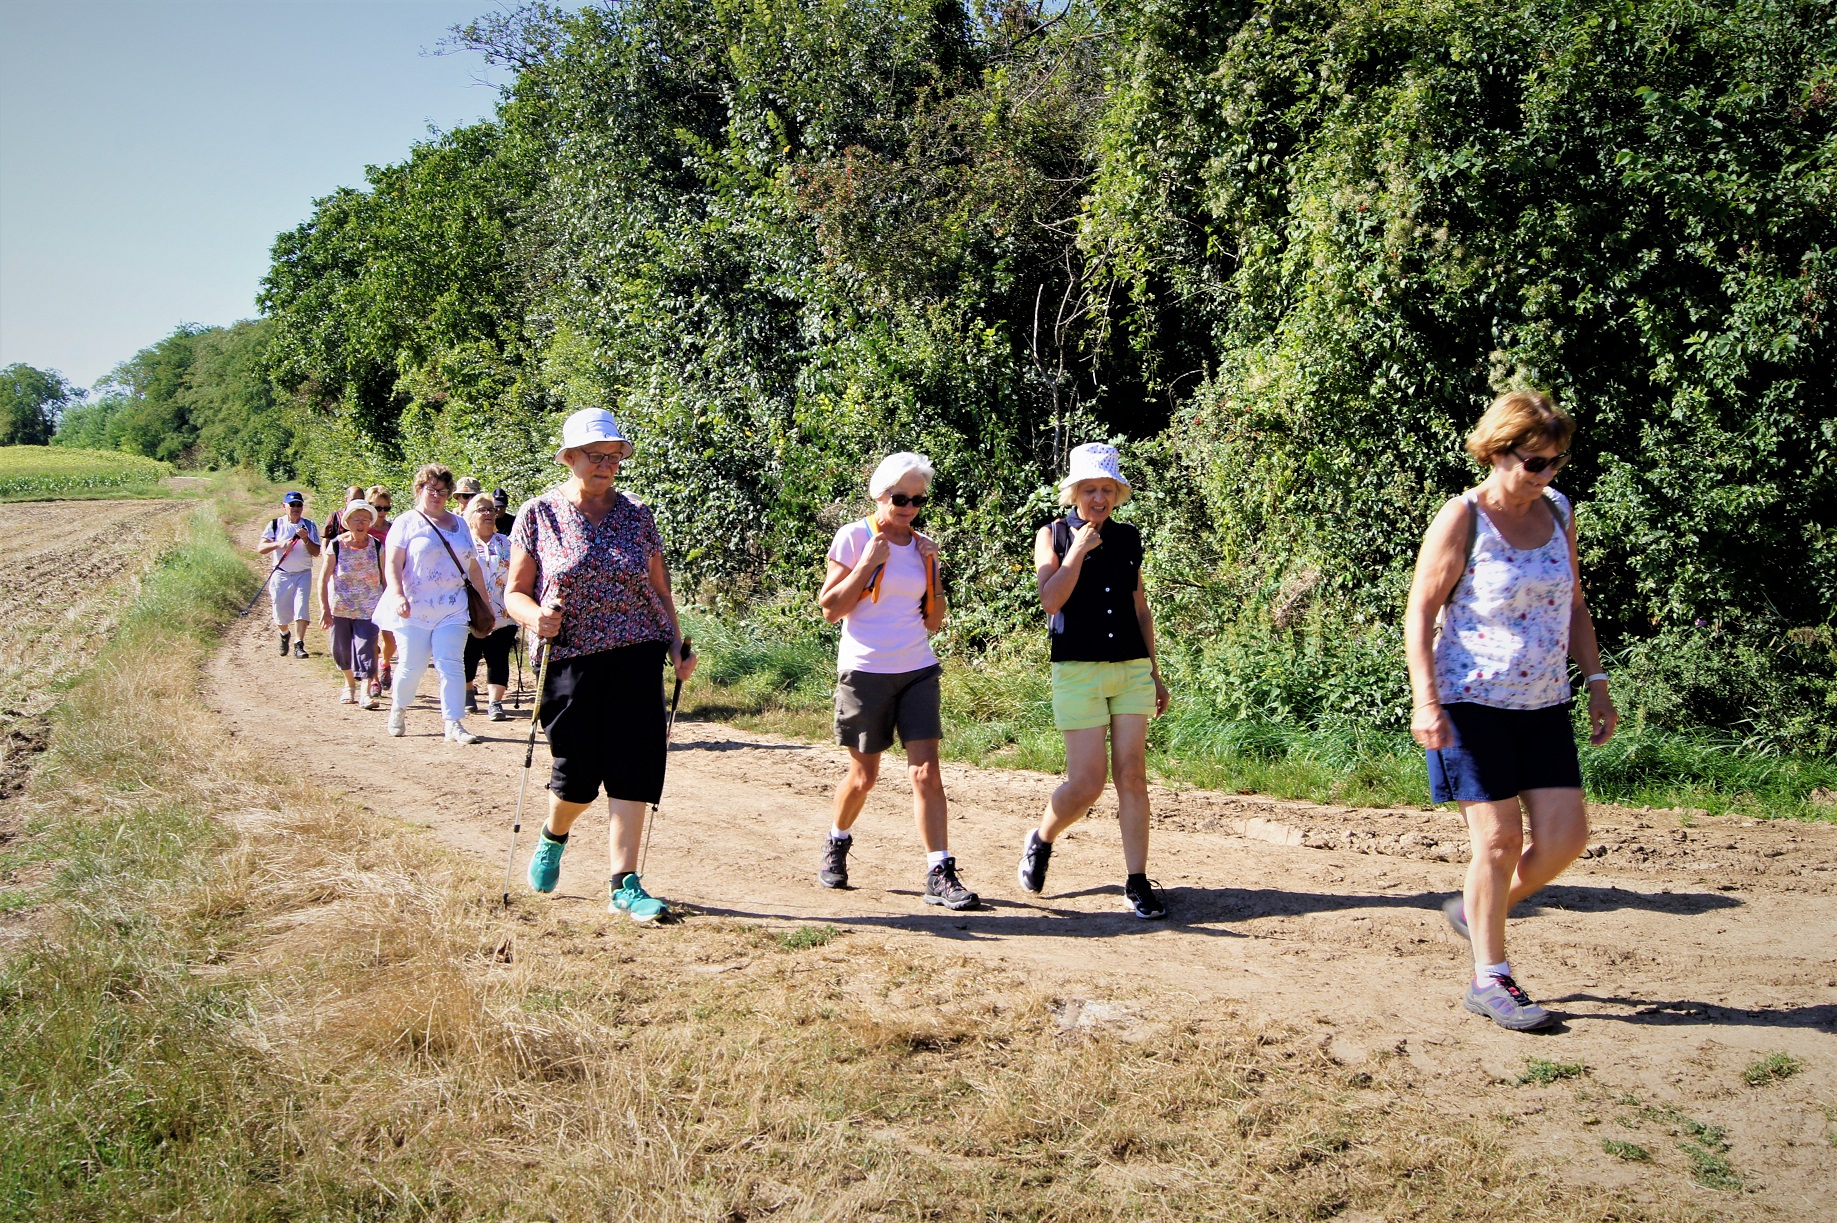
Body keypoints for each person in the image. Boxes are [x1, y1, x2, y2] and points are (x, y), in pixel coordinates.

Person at [1404, 389, 1618, 1032]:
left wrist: (1597, 679)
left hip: (1545, 701)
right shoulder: (1462, 517)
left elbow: (1574, 601)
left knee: (1566, 838)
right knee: (1497, 842)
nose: (1547, 474)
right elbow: (1419, 610)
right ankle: (1491, 977)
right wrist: (1426, 699)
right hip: (1472, 700)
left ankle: (1477, 911)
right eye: (1534, 461)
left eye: (1556, 461)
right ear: (1497, 452)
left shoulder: (1557, 511)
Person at [507, 408, 695, 924]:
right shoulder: (538, 513)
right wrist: (536, 617)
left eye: (614, 457)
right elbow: (515, 594)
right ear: (569, 458)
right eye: (596, 456)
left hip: (638, 651)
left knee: (634, 764)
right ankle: (553, 835)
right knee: (578, 774)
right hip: (570, 656)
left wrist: (677, 645)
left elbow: (660, 589)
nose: (606, 466)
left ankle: (624, 882)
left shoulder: (637, 515)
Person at [815, 452, 977, 911]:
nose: (909, 506)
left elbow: (934, 623)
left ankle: (939, 872)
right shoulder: (854, 537)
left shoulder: (923, 546)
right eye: (900, 497)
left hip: (917, 669)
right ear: (879, 494)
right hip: (865, 671)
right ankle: (837, 839)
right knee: (864, 777)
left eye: (917, 499)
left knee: (926, 773)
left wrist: (934, 571)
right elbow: (831, 610)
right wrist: (867, 563)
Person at [1017, 443, 1170, 919]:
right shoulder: (1053, 535)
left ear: (1117, 493)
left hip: (1130, 669)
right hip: (1077, 670)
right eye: (1089, 489)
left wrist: (1155, 672)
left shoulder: (1128, 538)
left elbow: (1139, 608)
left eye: (1107, 489)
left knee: (1132, 775)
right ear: (1074, 493)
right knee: (1087, 784)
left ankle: (1137, 881)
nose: (1099, 498)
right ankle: (1042, 838)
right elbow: (1051, 601)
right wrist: (1077, 552)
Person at [375, 465, 492, 745]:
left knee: (451, 664)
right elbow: (392, 564)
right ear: (419, 490)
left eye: (442, 490)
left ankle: (453, 723)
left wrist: (486, 603)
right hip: (413, 607)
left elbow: (471, 565)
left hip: (453, 607)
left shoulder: (460, 523)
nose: (437, 495)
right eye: (431, 489)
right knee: (411, 666)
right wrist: (398, 594)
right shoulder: (406, 523)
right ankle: (399, 708)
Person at [317, 499, 385, 709]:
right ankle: (349, 685)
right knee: (341, 650)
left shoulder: (376, 545)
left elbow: (385, 578)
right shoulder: (336, 545)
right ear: (347, 521)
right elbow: (323, 578)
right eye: (356, 519)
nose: (361, 523)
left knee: (366, 647)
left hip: (369, 607)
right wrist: (325, 609)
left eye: (365, 519)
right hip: (341, 607)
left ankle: (365, 693)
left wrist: (389, 603)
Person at [462, 493, 518, 722]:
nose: (488, 514)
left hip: (503, 611)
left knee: (498, 656)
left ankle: (495, 703)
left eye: (491, 510)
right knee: (469, 654)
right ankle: (467, 692)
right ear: (470, 516)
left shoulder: (508, 544)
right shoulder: (463, 544)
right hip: (470, 611)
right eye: (482, 510)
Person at [257, 491, 321, 658]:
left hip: (303, 573)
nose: (296, 508)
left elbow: (316, 552)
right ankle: (284, 634)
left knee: (301, 608)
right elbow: (261, 548)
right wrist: (280, 544)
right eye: (292, 505)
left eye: (299, 505)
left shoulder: (310, 525)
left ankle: (299, 644)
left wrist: (306, 539)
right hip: (282, 574)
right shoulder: (275, 525)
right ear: (284, 506)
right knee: (281, 613)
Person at [366, 486, 396, 697]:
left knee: (390, 638)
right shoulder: (361, 530)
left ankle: (385, 663)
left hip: (388, 587)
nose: (382, 512)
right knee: (369, 637)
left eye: (386, 508)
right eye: (378, 507)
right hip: (366, 587)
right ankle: (374, 678)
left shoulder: (393, 529)